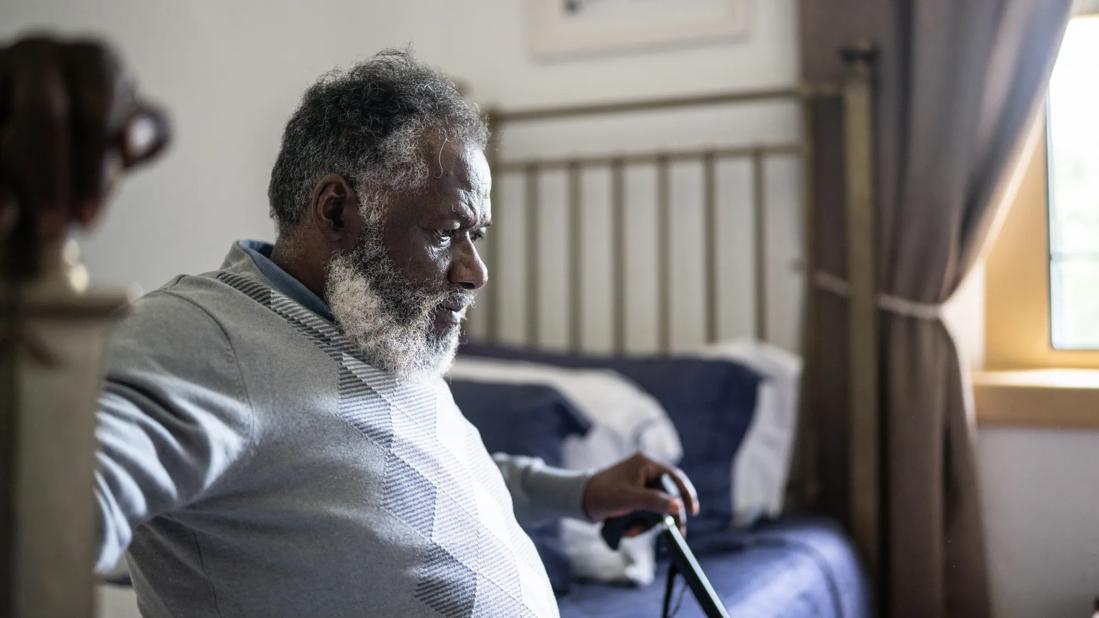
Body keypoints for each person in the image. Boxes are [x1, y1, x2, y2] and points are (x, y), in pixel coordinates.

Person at [0, 37, 699, 617]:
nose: (474, 271)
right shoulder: (205, 339)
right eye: (446, 231)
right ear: (336, 211)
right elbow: (44, 524)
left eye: (476, 235)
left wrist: (576, 492)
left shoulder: (380, 333)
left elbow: (422, 480)